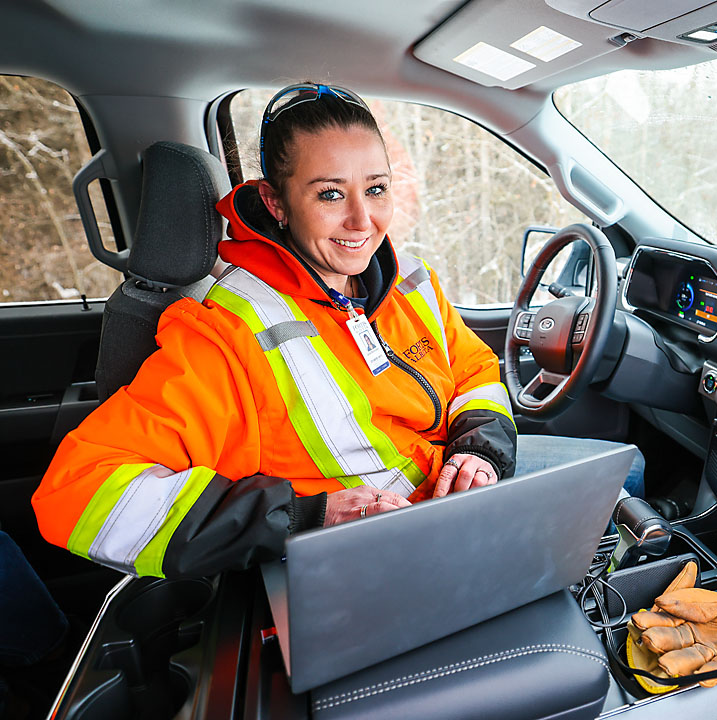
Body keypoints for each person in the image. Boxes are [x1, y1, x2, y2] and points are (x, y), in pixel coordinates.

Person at [32, 83, 642, 579]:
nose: (362, 220)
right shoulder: (226, 333)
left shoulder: (405, 284)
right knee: (627, 492)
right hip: (371, 554)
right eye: (330, 194)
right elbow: (78, 493)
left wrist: (478, 452)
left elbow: (475, 372)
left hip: (455, 498)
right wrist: (303, 517)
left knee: (627, 468)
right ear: (275, 202)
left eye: (375, 189)